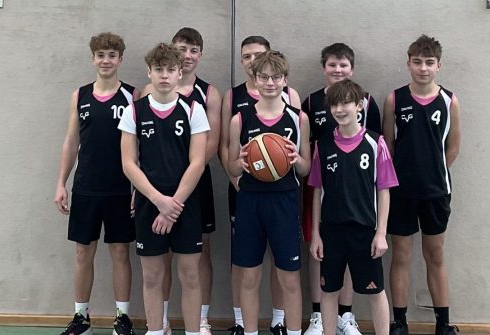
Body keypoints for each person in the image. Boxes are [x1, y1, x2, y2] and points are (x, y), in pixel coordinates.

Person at [119, 42, 210, 335]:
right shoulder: (134, 111)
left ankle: (193, 332)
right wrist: (159, 201)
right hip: (150, 202)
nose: (165, 75)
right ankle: (156, 330)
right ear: (149, 72)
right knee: (152, 276)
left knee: (190, 275)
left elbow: (198, 162)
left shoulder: (193, 109)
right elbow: (128, 164)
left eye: (171, 69)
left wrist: (173, 206)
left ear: (179, 72)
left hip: (185, 202)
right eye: (158, 69)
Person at [138, 27, 222, 335]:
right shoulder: (145, 96)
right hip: (153, 189)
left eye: (193, 50)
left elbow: (208, 148)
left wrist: (177, 195)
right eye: (182, 49)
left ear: (200, 55)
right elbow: (137, 154)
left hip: (192, 185)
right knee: (159, 257)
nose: (187, 55)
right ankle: (160, 322)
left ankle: (199, 320)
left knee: (197, 256)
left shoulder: (207, 95)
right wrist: (156, 195)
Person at [53, 32, 137, 335]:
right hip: (86, 186)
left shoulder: (132, 95)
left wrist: (138, 188)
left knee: (120, 253)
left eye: (112, 55)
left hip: (120, 187)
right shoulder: (80, 95)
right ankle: (81, 318)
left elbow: (139, 145)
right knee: (82, 253)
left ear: (120, 59)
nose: (106, 60)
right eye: (101, 55)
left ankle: (122, 318)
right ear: (92, 59)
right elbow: (71, 140)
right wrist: (61, 183)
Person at [219, 36, 302, 335]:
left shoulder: (297, 118)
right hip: (250, 201)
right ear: (255, 79)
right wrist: (239, 163)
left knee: (289, 277)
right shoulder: (240, 119)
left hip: (284, 201)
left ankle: (291, 330)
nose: (270, 83)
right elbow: (230, 166)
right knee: (249, 276)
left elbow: (305, 169)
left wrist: (296, 158)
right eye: (264, 77)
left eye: (276, 77)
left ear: (285, 80)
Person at [382, 35, 463, 335]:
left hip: (436, 192)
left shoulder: (449, 101)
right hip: (401, 192)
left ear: (438, 66)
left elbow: (452, 148)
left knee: (435, 255)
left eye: (429, 62)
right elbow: (388, 147)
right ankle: (399, 322)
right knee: (401, 255)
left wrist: (431, 173)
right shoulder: (394, 99)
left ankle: (443, 324)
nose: (423, 68)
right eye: (417, 62)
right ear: (408, 64)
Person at [299, 42, 382, 335]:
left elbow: (377, 148)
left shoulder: (367, 102)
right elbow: (305, 146)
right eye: (332, 65)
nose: (337, 70)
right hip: (323, 190)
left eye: (343, 65)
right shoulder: (311, 102)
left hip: (359, 197)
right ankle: (319, 315)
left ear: (352, 69)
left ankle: (345, 315)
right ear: (324, 68)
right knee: (320, 251)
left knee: (353, 257)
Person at [309, 79, 397, 335]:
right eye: (334, 104)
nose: (339, 109)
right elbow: (316, 191)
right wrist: (316, 234)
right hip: (332, 232)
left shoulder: (376, 143)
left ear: (359, 105)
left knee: (376, 292)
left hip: (365, 232)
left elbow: (384, 190)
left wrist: (381, 233)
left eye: (345, 103)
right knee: (328, 292)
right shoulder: (322, 145)